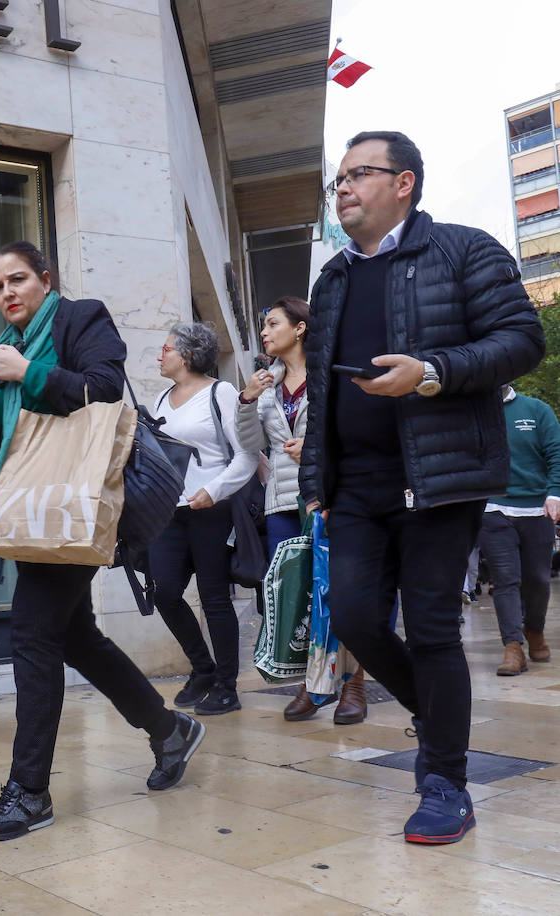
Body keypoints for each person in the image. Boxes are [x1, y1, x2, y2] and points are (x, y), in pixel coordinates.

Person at [301, 130, 543, 844]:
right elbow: (322, 390)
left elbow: (523, 339)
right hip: (354, 486)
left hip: (438, 478)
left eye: (357, 175)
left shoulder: (464, 249)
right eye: (337, 180)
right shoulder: (333, 278)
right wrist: (317, 476)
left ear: (403, 183)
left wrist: (431, 369)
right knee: (352, 617)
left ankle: (445, 780)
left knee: (433, 627)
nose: (342, 189)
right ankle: (436, 715)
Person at [0, 241, 203, 841]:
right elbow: (20, 432)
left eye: (18, 279)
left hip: (75, 503)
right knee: (75, 635)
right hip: (37, 505)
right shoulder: (6, 349)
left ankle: (29, 790)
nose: (7, 293)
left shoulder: (78, 317)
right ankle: (169, 730)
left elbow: (105, 391)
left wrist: (28, 373)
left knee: (32, 632)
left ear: (46, 279)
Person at [237, 297, 367, 725]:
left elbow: (350, 430)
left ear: (300, 329)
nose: (264, 332)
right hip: (280, 501)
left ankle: (352, 683)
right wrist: (246, 399)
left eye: (272, 323)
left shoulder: (329, 375)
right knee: (295, 593)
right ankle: (311, 683)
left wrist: (313, 452)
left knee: (339, 590)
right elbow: (250, 443)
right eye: (263, 325)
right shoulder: (266, 382)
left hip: (327, 495)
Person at [150, 322, 259, 715]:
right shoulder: (161, 399)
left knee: (214, 598)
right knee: (162, 592)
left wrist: (213, 491)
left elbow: (247, 453)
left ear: (188, 355)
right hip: (170, 512)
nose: (159, 355)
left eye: (166, 349)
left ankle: (227, 686)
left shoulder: (221, 392)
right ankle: (203, 668)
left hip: (212, 508)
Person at [478, 385, 560, 675]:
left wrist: (555, 493)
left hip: (537, 508)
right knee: (505, 579)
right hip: (493, 508)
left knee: (537, 579)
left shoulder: (537, 410)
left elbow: (556, 453)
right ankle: (513, 647)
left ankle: (534, 629)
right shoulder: (472, 412)